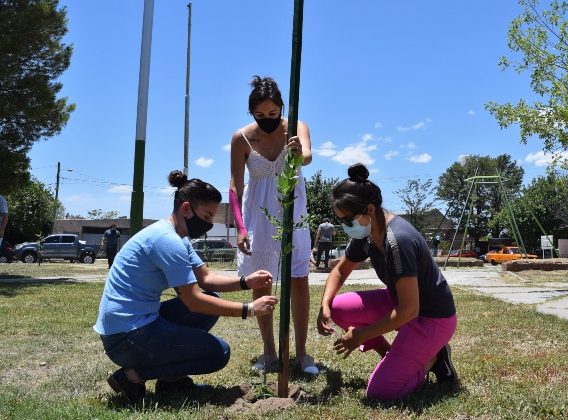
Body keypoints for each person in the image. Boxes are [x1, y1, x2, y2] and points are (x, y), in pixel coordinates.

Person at [93, 170, 278, 404]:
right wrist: (249, 309)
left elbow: (207, 279)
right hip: (126, 337)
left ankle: (171, 381)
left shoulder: (176, 236)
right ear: (187, 209)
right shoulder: (167, 241)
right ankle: (132, 376)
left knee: (212, 294)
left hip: (133, 327)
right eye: (207, 216)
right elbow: (193, 301)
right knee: (218, 353)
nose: (209, 224)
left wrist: (246, 282)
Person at [316, 163, 459, 400]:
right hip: (402, 305)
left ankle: (434, 358)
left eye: (347, 220)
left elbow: (410, 310)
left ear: (369, 210)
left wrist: (361, 336)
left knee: (381, 392)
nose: (345, 225)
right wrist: (325, 304)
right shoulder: (369, 232)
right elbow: (340, 271)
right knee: (339, 307)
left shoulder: (398, 241)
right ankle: (391, 356)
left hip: (432, 318)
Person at [229, 75, 317, 375]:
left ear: (281, 108)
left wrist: (297, 153)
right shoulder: (241, 138)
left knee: (298, 280)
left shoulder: (297, 127)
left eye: (273, 114)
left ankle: (303, 354)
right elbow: (235, 187)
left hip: (292, 211)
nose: (267, 119)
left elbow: (306, 156)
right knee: (261, 280)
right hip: (258, 216)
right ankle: (269, 352)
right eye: (260, 115)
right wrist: (240, 227)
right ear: (251, 112)